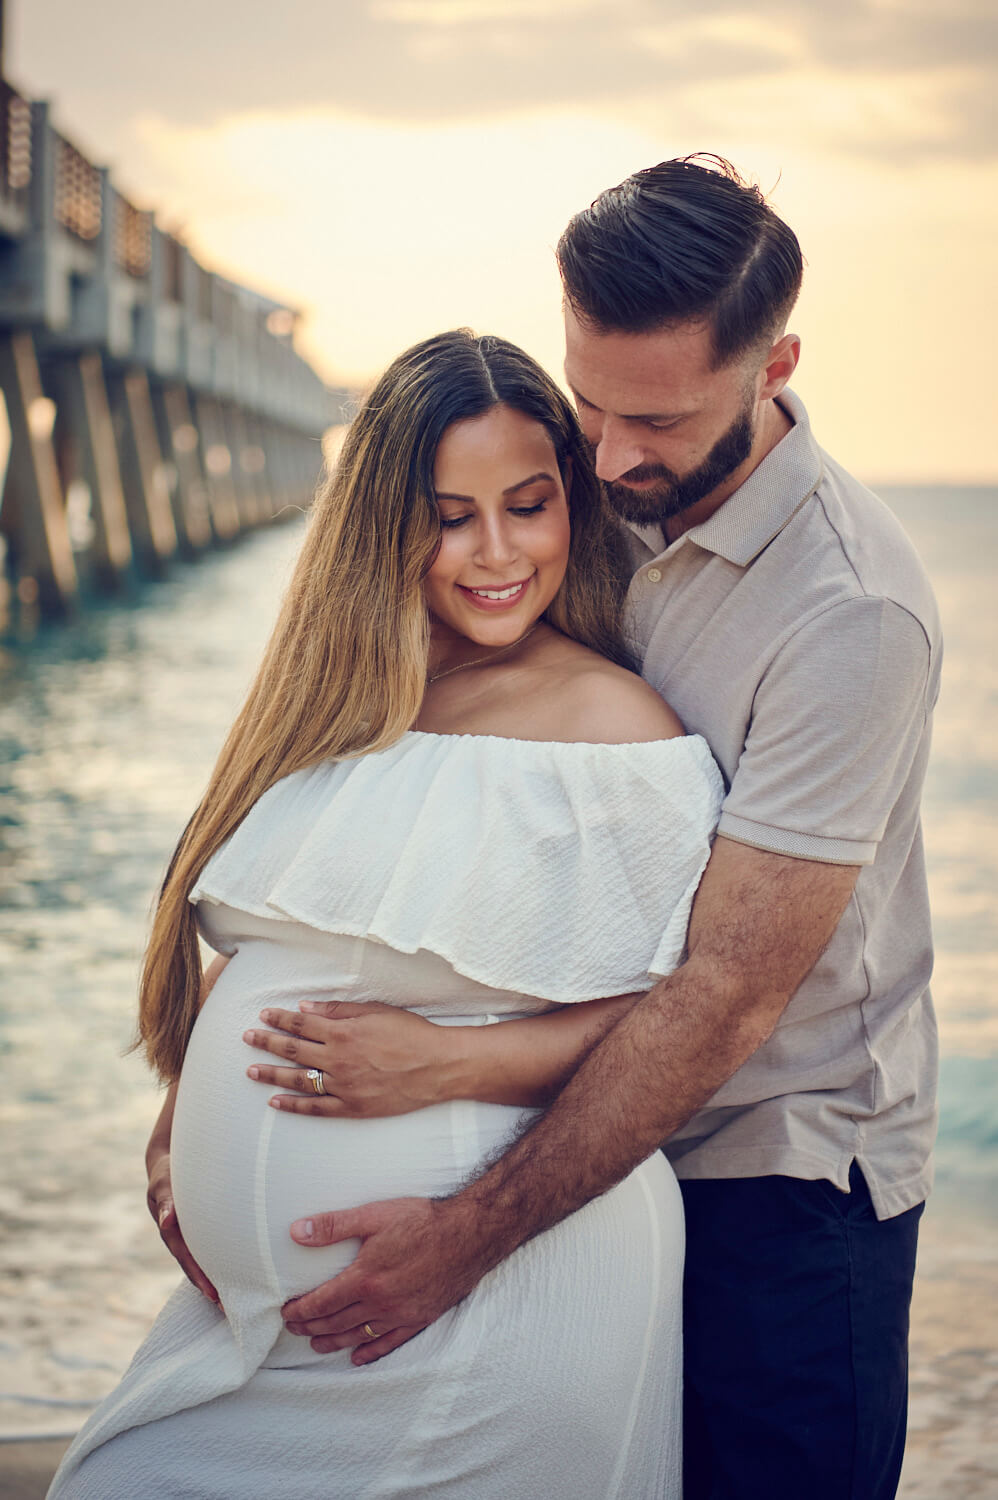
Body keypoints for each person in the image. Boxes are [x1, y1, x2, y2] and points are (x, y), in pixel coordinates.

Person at [266, 158, 942, 1500]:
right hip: (573, 1158)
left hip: (779, 1184)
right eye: (590, 400)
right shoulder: (580, 500)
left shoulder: (847, 614)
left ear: (773, 363)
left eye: (659, 418)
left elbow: (727, 997)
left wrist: (465, 1231)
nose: (611, 451)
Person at [47, 329, 724, 1499]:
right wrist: (176, 1127)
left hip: (499, 1299)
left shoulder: (615, 731)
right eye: (449, 515)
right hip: (292, 1327)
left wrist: (449, 1065)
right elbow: (284, 933)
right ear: (381, 523)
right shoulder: (345, 707)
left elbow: (667, 1018)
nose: (497, 552)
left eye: (529, 503)